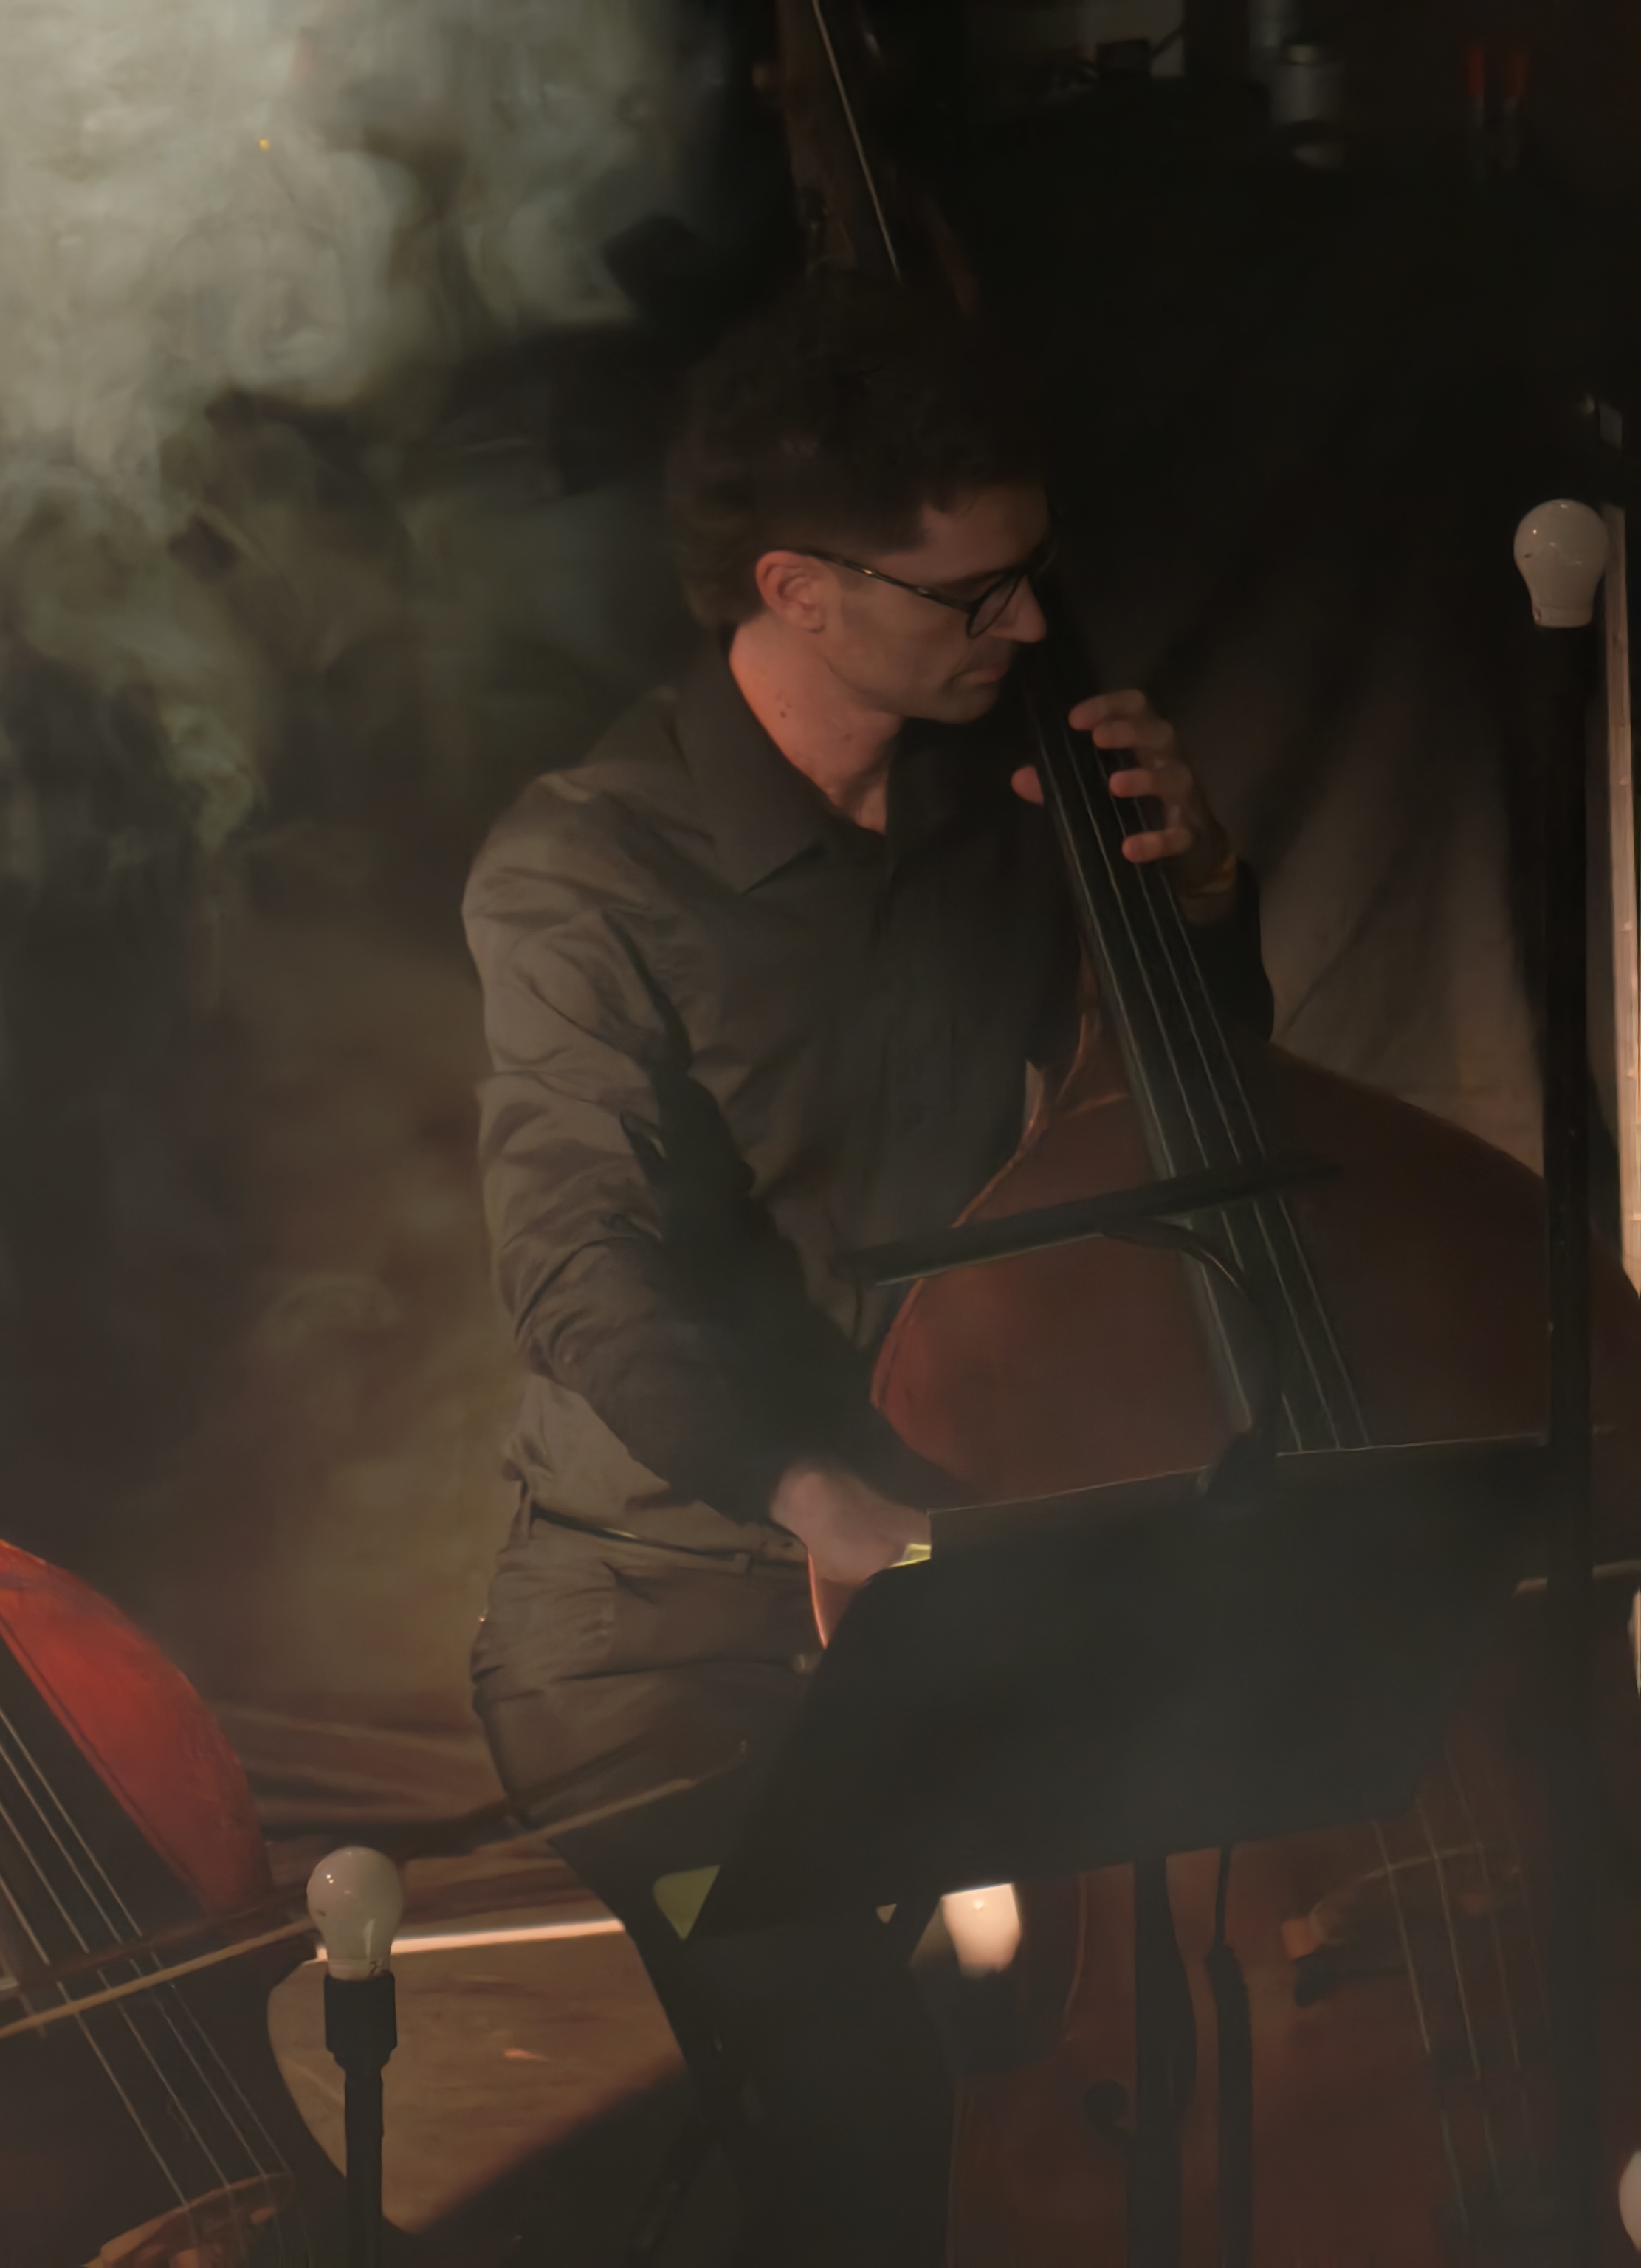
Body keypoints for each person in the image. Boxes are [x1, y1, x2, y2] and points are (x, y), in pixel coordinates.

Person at [461, 278, 1270, 2261]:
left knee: (1185, 2012)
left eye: (1030, 579)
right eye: (965, 594)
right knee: (862, 2118)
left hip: (955, 1553)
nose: (1023, 625)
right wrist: (827, 1496)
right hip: (662, 1629)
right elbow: (577, 1257)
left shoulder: (1007, 803)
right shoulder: (584, 869)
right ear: (794, 588)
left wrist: (1200, 906)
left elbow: (1164, 1124)